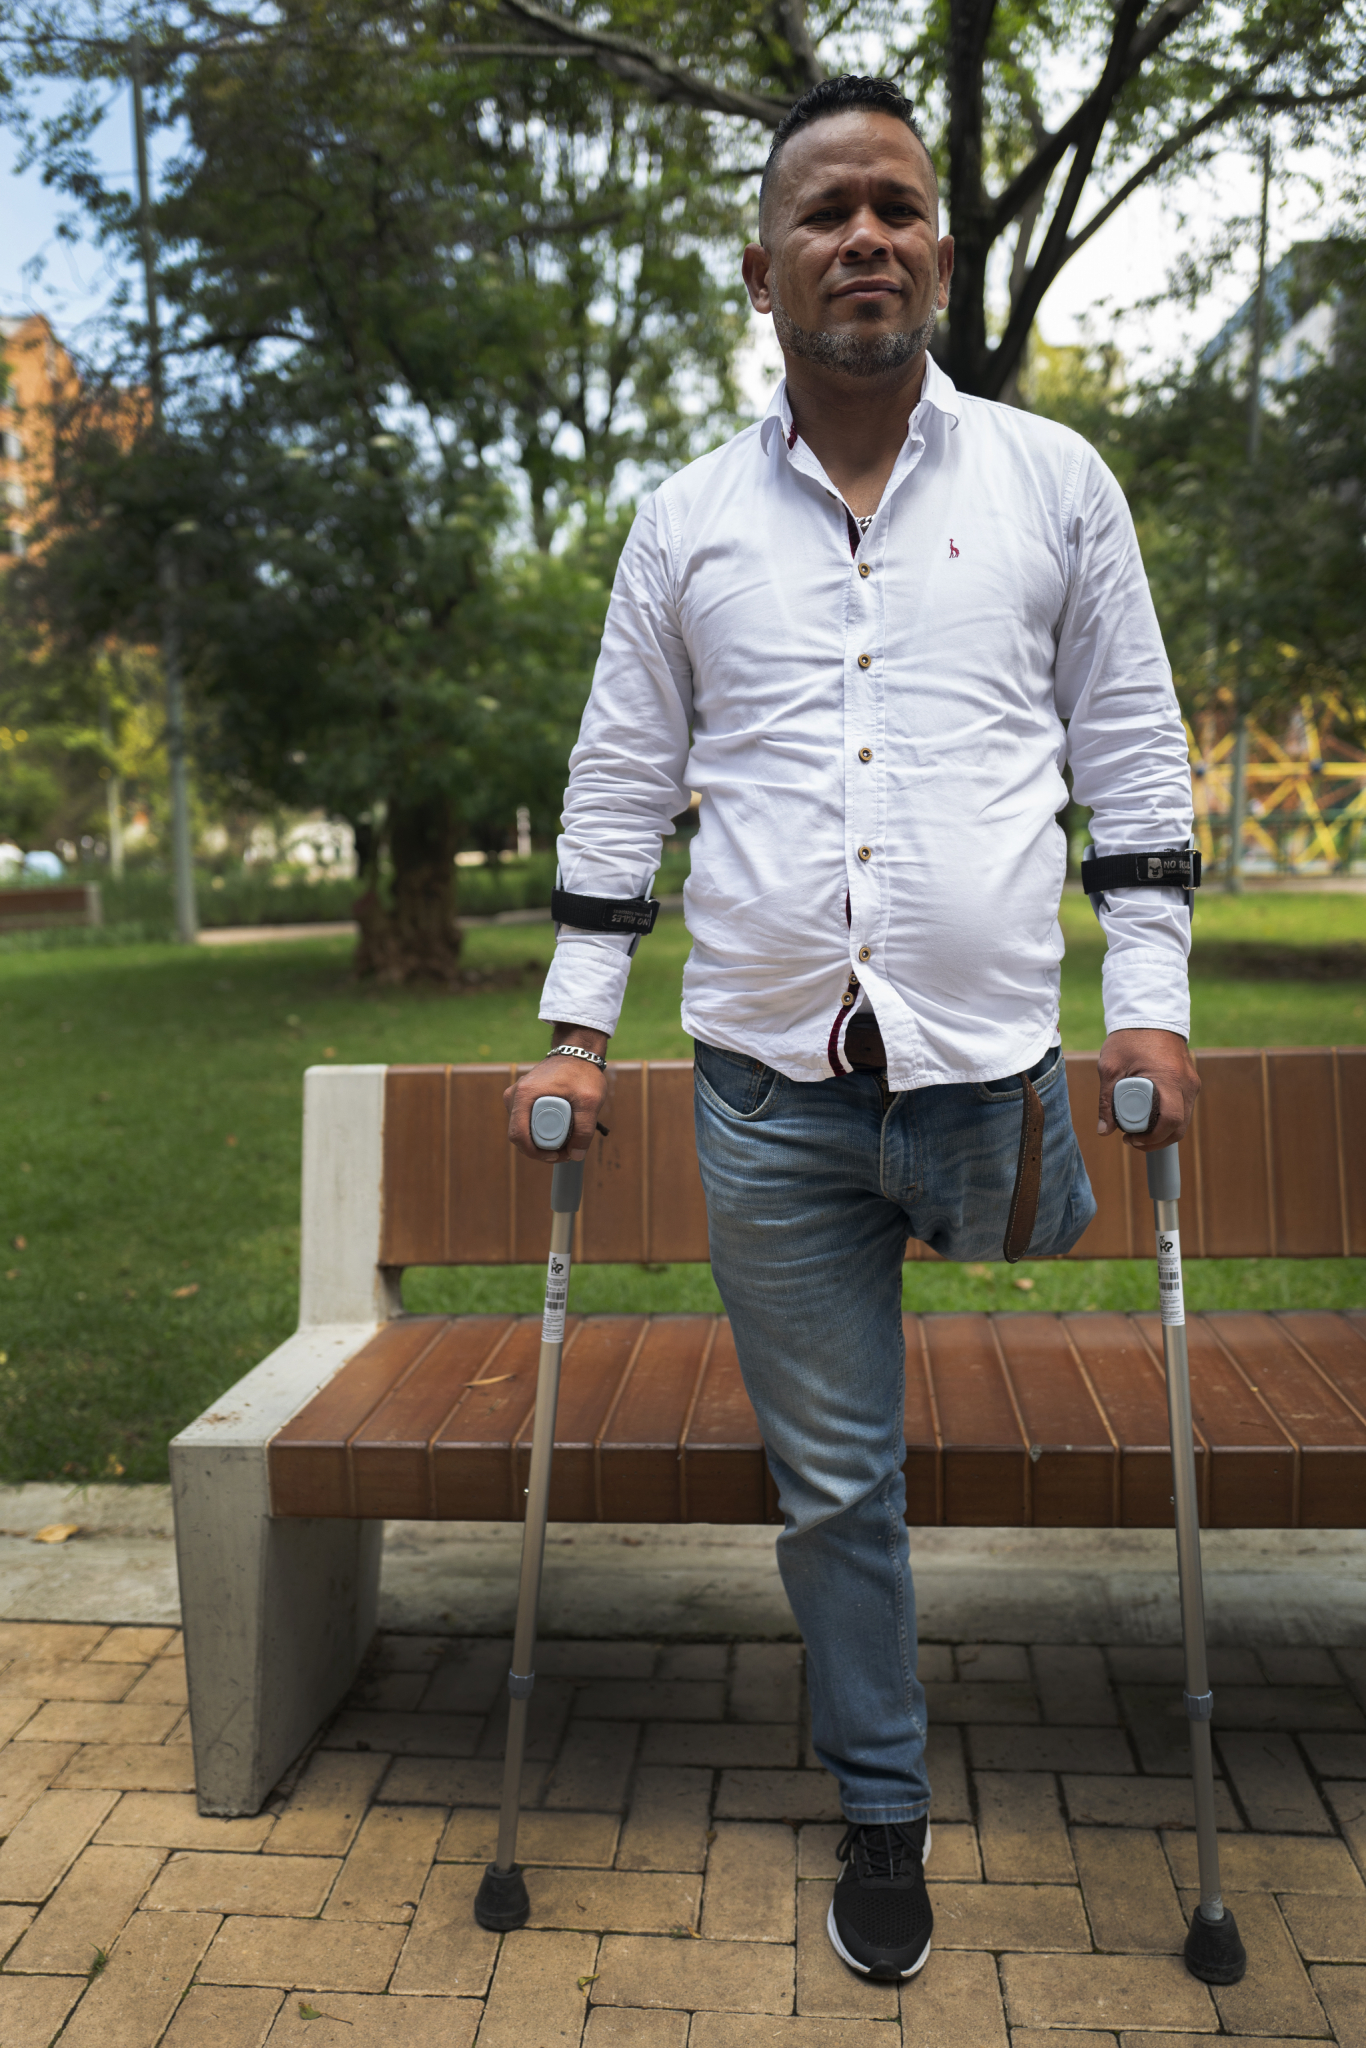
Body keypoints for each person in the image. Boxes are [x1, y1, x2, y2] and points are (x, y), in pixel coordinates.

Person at [505, 73, 1199, 1984]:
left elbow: (1134, 754)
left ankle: (993, 1200)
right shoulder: (681, 522)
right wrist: (579, 1035)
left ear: (942, 254)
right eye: (825, 212)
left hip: (991, 1075)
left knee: (1027, 1225)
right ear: (761, 269)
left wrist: (1145, 1009)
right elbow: (618, 778)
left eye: (896, 206)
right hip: (769, 1091)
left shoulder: (1059, 486)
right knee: (837, 1475)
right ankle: (883, 1807)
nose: (865, 237)